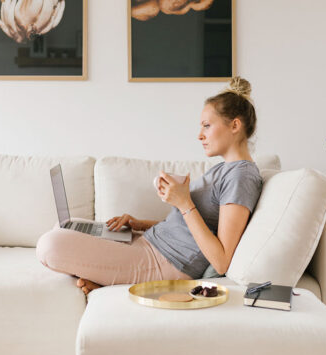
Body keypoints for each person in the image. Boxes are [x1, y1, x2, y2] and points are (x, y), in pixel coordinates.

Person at [36, 76, 263, 295]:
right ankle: (109, 277)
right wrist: (139, 224)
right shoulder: (223, 169)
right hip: (148, 242)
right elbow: (190, 228)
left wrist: (184, 202)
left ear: (235, 125)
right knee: (64, 226)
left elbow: (221, 261)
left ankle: (110, 280)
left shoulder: (242, 176)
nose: (199, 135)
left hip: (164, 262)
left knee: (49, 245)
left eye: (206, 126)